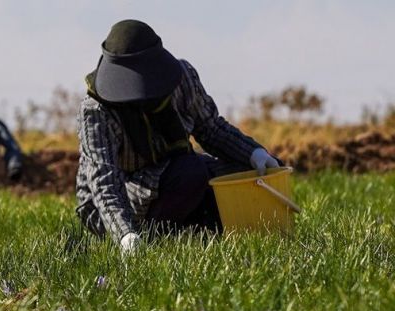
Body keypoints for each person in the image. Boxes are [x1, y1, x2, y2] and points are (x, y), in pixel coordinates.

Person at [75, 20, 281, 254]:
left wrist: (255, 154)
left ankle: (199, 226)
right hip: (114, 201)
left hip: (169, 172)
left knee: (247, 175)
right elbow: (105, 182)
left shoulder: (182, 79)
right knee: (190, 173)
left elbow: (211, 128)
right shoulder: (96, 110)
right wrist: (126, 234)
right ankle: (152, 238)